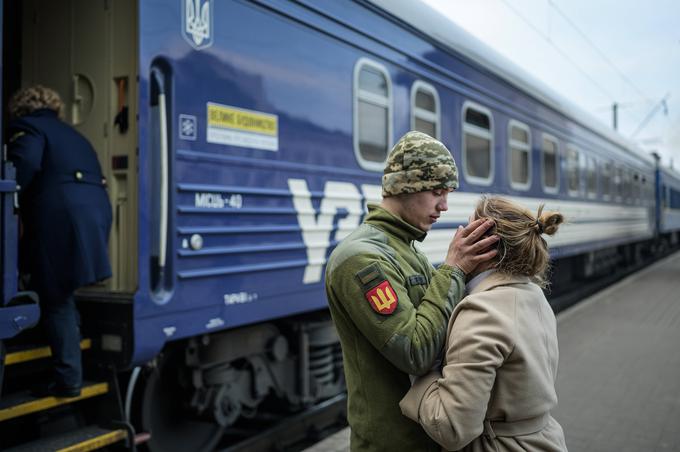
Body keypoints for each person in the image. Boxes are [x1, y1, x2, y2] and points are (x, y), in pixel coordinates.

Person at [325, 131, 499, 451]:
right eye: (437, 191)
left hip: (426, 435)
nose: (444, 206)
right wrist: (454, 269)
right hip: (393, 443)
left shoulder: (406, 248)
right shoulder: (362, 258)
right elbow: (415, 352)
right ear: (407, 186)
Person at [399, 195, 568, 452]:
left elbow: (453, 427)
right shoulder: (533, 295)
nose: (458, 238)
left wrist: (419, 372)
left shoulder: (483, 311)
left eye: (467, 230)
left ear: (483, 244)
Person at [7, 85, 112, 398]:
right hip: (93, 216)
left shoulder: (28, 128)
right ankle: (67, 364)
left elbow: (24, 164)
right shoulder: (75, 135)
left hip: (62, 219)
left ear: (20, 108)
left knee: (55, 296)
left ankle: (68, 380)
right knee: (60, 288)